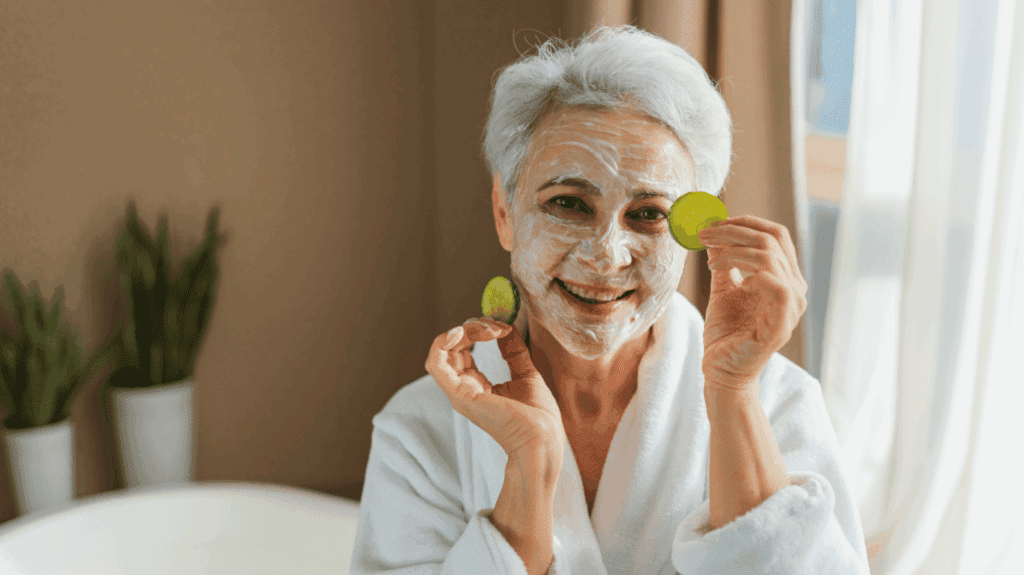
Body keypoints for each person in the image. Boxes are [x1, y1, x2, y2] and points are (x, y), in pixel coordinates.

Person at [351, 25, 870, 575]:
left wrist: (732, 391)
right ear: (504, 210)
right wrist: (530, 468)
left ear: (699, 228)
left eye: (648, 214)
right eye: (569, 204)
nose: (607, 256)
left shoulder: (778, 405)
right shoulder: (421, 431)